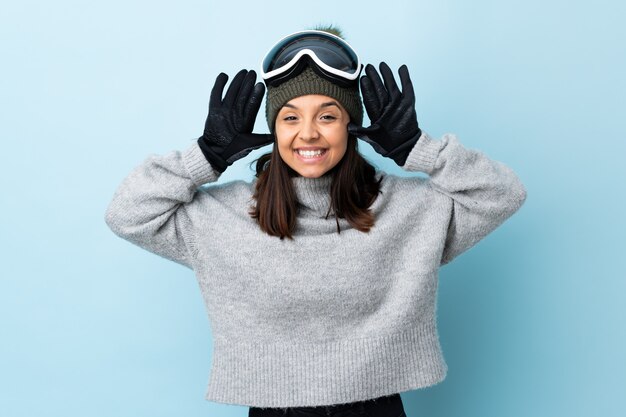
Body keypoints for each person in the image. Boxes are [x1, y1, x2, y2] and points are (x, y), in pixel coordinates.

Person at [104, 27, 527, 417]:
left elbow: (502, 194)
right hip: (273, 412)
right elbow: (128, 213)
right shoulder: (224, 217)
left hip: (376, 409)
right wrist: (207, 155)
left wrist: (420, 149)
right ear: (272, 128)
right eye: (290, 117)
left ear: (351, 125)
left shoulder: (409, 210)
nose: (308, 133)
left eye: (327, 115)